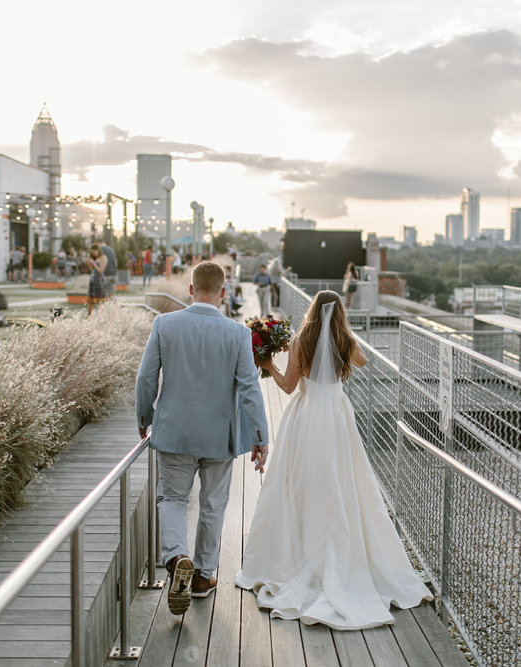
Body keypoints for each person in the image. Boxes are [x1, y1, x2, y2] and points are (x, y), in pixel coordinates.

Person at [236, 290, 432, 628]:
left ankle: (303, 553)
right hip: (338, 416)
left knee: (300, 485)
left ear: (312, 309)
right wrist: (344, 339)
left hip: (306, 415)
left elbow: (287, 387)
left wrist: (269, 363)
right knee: (343, 482)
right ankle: (338, 554)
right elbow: (363, 363)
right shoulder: (345, 339)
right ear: (339, 313)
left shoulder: (300, 341)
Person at [136, 261, 269, 616]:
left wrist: (145, 418)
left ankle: (178, 556)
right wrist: (259, 436)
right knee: (212, 504)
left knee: (173, 498)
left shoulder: (164, 324)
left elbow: (146, 378)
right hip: (218, 437)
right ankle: (203, 576)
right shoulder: (237, 333)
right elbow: (249, 390)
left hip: (174, 432)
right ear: (224, 293)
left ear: (191, 290)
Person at [86, 244, 108, 316]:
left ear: (97, 250)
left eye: (94, 252)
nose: (93, 254)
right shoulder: (95, 259)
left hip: (99, 280)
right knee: (90, 299)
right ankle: (89, 316)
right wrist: (90, 264)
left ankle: (100, 316)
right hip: (92, 280)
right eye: (91, 253)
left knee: (99, 300)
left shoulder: (103, 258)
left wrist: (93, 263)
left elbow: (100, 271)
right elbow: (91, 270)